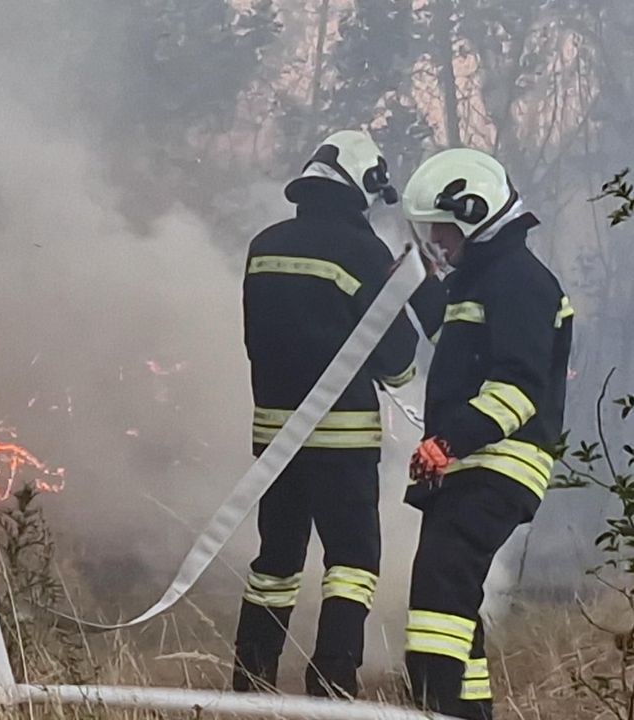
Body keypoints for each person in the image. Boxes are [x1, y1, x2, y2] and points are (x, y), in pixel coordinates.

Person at [233, 130, 425, 698]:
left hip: (275, 436)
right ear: (364, 185)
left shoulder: (263, 245)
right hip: (342, 439)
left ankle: (249, 683)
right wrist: (404, 382)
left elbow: (257, 338)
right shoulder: (363, 251)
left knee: (275, 562)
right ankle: (333, 683)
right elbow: (393, 355)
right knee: (352, 560)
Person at [400, 148, 573, 719]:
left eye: (442, 233)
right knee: (453, 609)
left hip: (498, 463)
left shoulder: (521, 282)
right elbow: (456, 345)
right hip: (474, 463)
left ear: (473, 213)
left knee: (438, 602)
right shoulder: (481, 282)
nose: (437, 244)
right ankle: (467, 711)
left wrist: (451, 442)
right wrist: (412, 286)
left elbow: (519, 386)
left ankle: (437, 707)